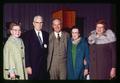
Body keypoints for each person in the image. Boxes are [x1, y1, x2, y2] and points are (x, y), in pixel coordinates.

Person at [22, 15, 49, 80]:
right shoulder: (27, 35)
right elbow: (26, 51)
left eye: (41, 22)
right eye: (37, 22)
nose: (39, 24)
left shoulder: (46, 34)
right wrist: (27, 66)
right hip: (32, 67)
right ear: (33, 23)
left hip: (43, 68)